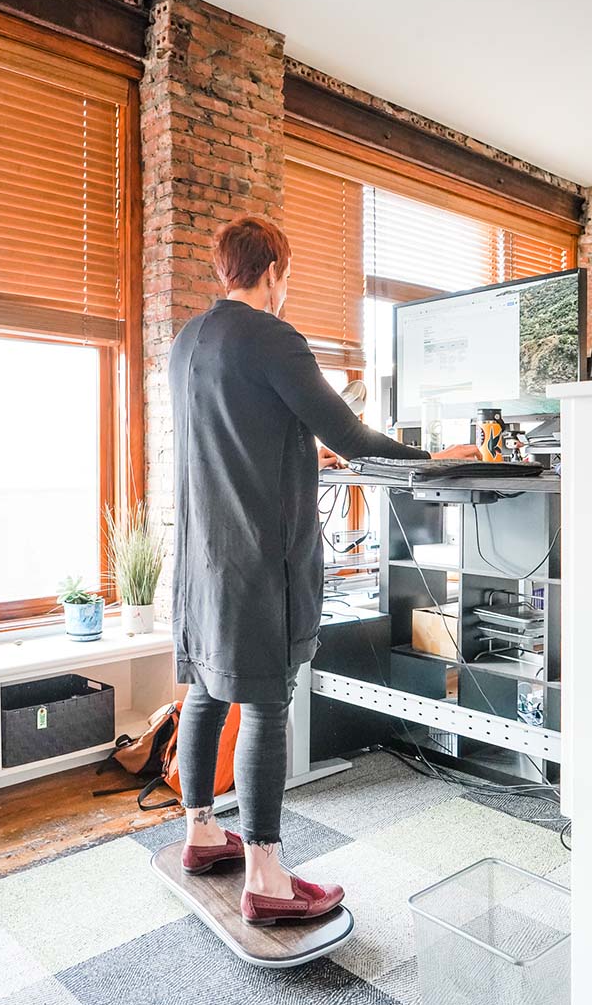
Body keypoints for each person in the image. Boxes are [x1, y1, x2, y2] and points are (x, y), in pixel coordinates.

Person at [167, 214, 480, 926]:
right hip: (254, 560)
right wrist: (435, 459)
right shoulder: (274, 338)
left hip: (199, 558)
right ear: (274, 269)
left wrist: (301, 453)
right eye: (288, 275)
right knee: (268, 704)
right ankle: (266, 876)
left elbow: (233, 435)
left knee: (206, 693)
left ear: (225, 270)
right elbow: (349, 433)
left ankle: (200, 833)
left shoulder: (187, 341)